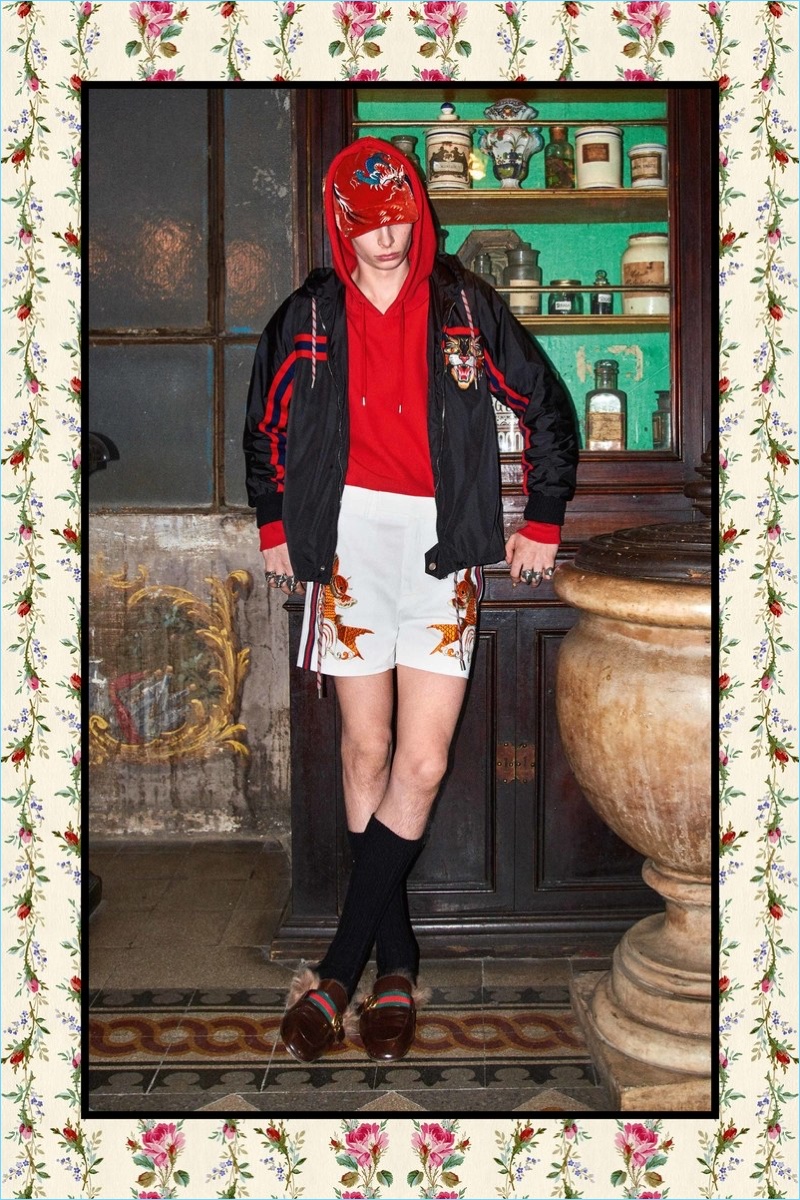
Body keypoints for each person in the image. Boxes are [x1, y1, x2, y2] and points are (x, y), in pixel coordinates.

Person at [243, 137, 578, 1065]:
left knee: (421, 764)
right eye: (366, 224)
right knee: (365, 751)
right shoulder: (310, 314)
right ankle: (396, 967)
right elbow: (264, 426)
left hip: (444, 547)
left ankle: (336, 971)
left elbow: (547, 405)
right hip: (347, 543)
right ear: (339, 226)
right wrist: (274, 525)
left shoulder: (464, 307)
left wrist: (542, 518)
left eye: (399, 218)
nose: (386, 238)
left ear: (418, 213)